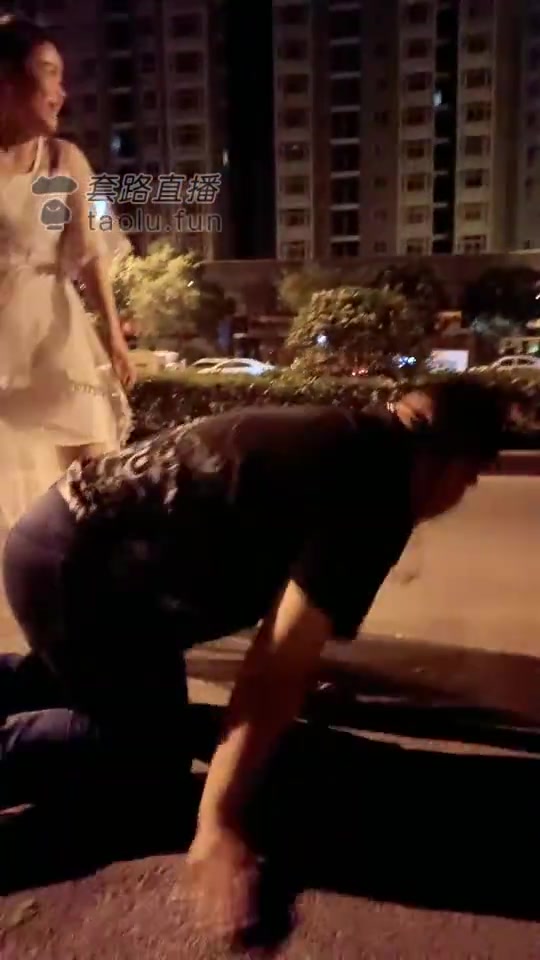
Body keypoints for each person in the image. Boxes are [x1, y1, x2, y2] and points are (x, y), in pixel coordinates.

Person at [0, 379, 511, 936]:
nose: (459, 495)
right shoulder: (374, 492)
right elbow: (275, 670)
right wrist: (218, 821)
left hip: (64, 539)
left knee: (85, 677)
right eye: (470, 478)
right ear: (454, 462)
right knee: (143, 751)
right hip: (78, 571)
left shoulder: (350, 436)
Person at [0, 15, 133, 527]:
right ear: (8, 81)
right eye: (49, 73)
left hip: (57, 340)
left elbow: (91, 253)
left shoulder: (63, 160)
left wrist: (114, 338)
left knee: (89, 473)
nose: (61, 93)